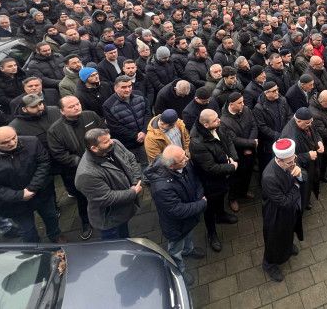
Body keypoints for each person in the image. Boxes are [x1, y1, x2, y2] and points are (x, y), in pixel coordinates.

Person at [0, 126, 66, 243]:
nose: (12, 143)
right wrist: (20, 195)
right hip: (15, 203)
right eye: (5, 142)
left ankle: (56, 236)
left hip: (41, 193)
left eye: (14, 138)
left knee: (51, 216)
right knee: (27, 230)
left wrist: (32, 188)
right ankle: (34, 249)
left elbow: (43, 163)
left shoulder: (32, 142)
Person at [146, 145, 206, 287]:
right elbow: (176, 210)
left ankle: (188, 250)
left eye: (185, 155)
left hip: (189, 217)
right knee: (175, 249)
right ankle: (179, 270)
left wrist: (198, 199)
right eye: (183, 159)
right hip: (176, 225)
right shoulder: (161, 187)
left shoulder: (184, 164)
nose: (187, 159)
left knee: (188, 234)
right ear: (172, 166)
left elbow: (196, 181)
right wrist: (201, 204)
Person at [47, 96, 104, 240]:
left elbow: (104, 132)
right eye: (71, 106)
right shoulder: (55, 131)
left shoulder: (90, 115)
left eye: (78, 104)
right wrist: (83, 162)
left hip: (102, 162)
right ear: (61, 111)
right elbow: (59, 154)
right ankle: (86, 222)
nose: (76, 107)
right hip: (78, 171)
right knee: (83, 198)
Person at [75, 128, 143, 239]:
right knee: (116, 247)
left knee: (125, 237)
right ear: (94, 148)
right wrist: (132, 192)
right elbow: (106, 197)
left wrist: (135, 181)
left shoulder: (115, 144)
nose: (112, 142)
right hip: (109, 220)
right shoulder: (86, 174)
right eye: (106, 142)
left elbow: (131, 158)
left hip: (122, 211)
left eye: (109, 138)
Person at [189, 109, 238, 253]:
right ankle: (211, 234)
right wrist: (230, 168)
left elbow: (228, 142)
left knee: (221, 197)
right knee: (210, 207)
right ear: (205, 125)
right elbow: (210, 168)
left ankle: (221, 215)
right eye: (216, 120)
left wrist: (233, 160)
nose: (220, 121)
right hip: (210, 183)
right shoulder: (197, 143)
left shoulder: (216, 126)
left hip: (224, 176)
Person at [261, 138, 305, 282]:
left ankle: (287, 247)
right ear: (279, 160)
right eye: (290, 163)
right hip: (275, 214)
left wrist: (299, 175)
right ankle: (268, 264)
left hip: (290, 209)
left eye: (294, 160)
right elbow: (283, 202)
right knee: (274, 238)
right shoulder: (269, 177)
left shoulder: (289, 161)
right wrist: (297, 185)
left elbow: (302, 174)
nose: (294, 164)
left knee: (290, 229)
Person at [103, 76, 152, 177]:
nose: (128, 89)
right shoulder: (108, 105)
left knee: (146, 162)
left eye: (130, 86)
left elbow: (148, 114)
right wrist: (136, 136)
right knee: (129, 166)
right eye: (123, 87)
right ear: (115, 88)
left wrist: (144, 132)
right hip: (126, 143)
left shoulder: (139, 95)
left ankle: (147, 178)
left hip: (144, 138)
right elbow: (115, 127)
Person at [219, 93, 258, 213]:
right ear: (231, 105)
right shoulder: (224, 121)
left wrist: (250, 145)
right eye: (240, 103)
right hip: (236, 154)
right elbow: (233, 140)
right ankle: (233, 198)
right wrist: (250, 143)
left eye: (242, 101)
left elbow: (253, 126)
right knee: (235, 178)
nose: (243, 104)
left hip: (249, 151)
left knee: (248, 174)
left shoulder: (245, 110)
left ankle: (244, 190)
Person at [280, 107, 323, 211]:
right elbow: (287, 160)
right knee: (302, 188)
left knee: (308, 185)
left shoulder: (307, 123)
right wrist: (308, 156)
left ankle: (306, 201)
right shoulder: (288, 135)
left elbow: (315, 132)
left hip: (310, 164)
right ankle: (301, 206)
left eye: (311, 122)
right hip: (299, 169)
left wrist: (319, 142)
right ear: (297, 120)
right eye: (307, 123)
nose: (310, 125)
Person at [253, 81, 293, 177]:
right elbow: (262, 127)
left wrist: (285, 132)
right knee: (268, 165)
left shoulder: (282, 100)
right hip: (269, 143)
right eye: (274, 91)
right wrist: (278, 136)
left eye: (277, 89)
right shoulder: (259, 108)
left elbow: (290, 115)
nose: (277, 92)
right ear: (266, 93)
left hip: (284, 137)